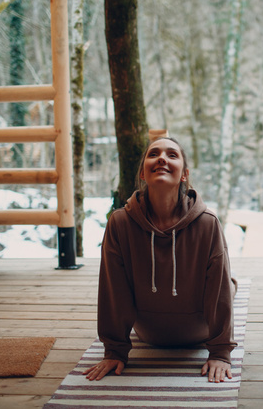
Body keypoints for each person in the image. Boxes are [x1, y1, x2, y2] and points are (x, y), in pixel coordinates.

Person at [84, 137, 236, 383]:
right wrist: (114, 351)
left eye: (172, 155)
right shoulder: (120, 223)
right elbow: (114, 291)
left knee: (226, 286)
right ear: (143, 173)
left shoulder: (208, 223)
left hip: (200, 331)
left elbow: (218, 294)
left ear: (184, 175)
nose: (162, 158)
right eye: (154, 154)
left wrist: (220, 353)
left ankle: (234, 284)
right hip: (148, 333)